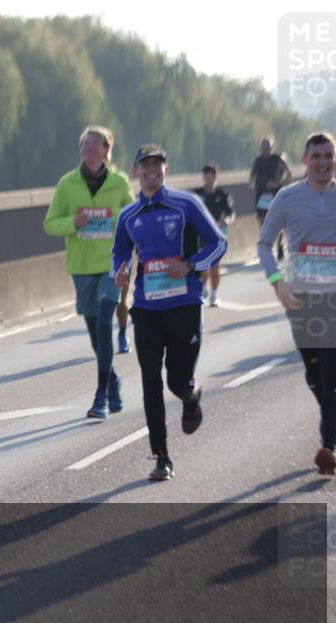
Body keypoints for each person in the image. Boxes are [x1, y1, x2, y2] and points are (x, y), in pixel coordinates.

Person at [112, 144, 227, 481]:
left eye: (157, 165)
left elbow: (218, 242)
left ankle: (190, 397)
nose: (151, 170)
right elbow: (119, 253)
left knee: (176, 380)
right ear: (136, 171)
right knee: (150, 383)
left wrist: (190, 264)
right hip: (147, 309)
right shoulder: (128, 216)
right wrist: (118, 273)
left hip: (185, 305)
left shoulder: (186, 204)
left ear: (167, 170)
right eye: (145, 165)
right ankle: (161, 457)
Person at [258, 131, 336, 475]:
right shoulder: (288, 197)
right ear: (305, 160)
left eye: (329, 156)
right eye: (317, 156)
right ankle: (331, 427)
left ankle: (328, 444)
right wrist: (277, 283)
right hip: (299, 298)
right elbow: (264, 244)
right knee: (314, 374)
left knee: (332, 371)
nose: (323, 162)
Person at [44, 125, 135, 420]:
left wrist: (118, 218)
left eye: (94, 146)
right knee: (96, 334)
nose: (88, 151)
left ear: (106, 151)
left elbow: (134, 215)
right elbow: (50, 223)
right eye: (84, 146)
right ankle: (112, 381)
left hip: (111, 264)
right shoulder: (67, 184)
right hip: (81, 268)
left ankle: (100, 398)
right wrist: (75, 221)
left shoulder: (119, 183)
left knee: (104, 324)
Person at [193, 162, 235, 307]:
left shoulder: (223, 195)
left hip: (217, 235)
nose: (207, 180)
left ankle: (214, 295)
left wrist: (226, 220)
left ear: (215, 177)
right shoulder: (197, 194)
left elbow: (230, 213)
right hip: (201, 234)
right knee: (203, 265)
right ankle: (203, 289)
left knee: (215, 266)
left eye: (210, 177)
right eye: (205, 177)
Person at [249, 136, 293, 259]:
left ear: (272, 147)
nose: (265, 150)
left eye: (267, 147)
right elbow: (252, 176)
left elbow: (289, 175)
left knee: (277, 220)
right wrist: (250, 186)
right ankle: (265, 245)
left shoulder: (277, 159)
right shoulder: (257, 161)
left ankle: (279, 245)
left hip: (274, 194)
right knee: (261, 220)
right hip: (262, 194)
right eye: (263, 147)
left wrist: (279, 182)